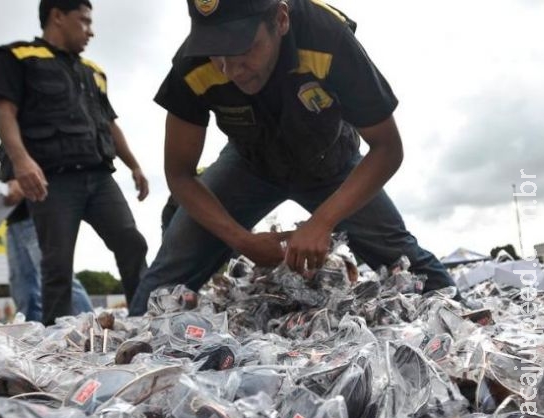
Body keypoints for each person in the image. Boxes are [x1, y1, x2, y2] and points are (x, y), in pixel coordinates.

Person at [129, 0, 455, 316]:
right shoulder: (193, 63)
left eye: (243, 49)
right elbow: (180, 175)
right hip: (249, 165)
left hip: (330, 164)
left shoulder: (327, 37)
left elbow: (388, 148)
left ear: (280, 20)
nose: (230, 70)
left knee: (407, 261)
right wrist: (241, 240)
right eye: (218, 53)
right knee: (169, 272)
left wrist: (323, 221)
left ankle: (473, 332)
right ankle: (123, 359)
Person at [0, 0, 149, 325]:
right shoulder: (18, 57)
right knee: (57, 265)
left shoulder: (94, 72)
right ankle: (57, 340)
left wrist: (135, 165)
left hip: (100, 177)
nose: (91, 30)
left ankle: (145, 321)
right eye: (84, 21)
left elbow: (110, 123)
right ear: (57, 17)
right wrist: (21, 161)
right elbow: (5, 111)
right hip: (52, 180)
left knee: (131, 242)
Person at [2, 175, 94, 322]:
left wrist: (23, 180)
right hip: (13, 219)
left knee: (58, 275)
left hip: (39, 212)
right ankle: (31, 334)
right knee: (23, 287)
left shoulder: (23, 152)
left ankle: (94, 328)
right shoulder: (7, 153)